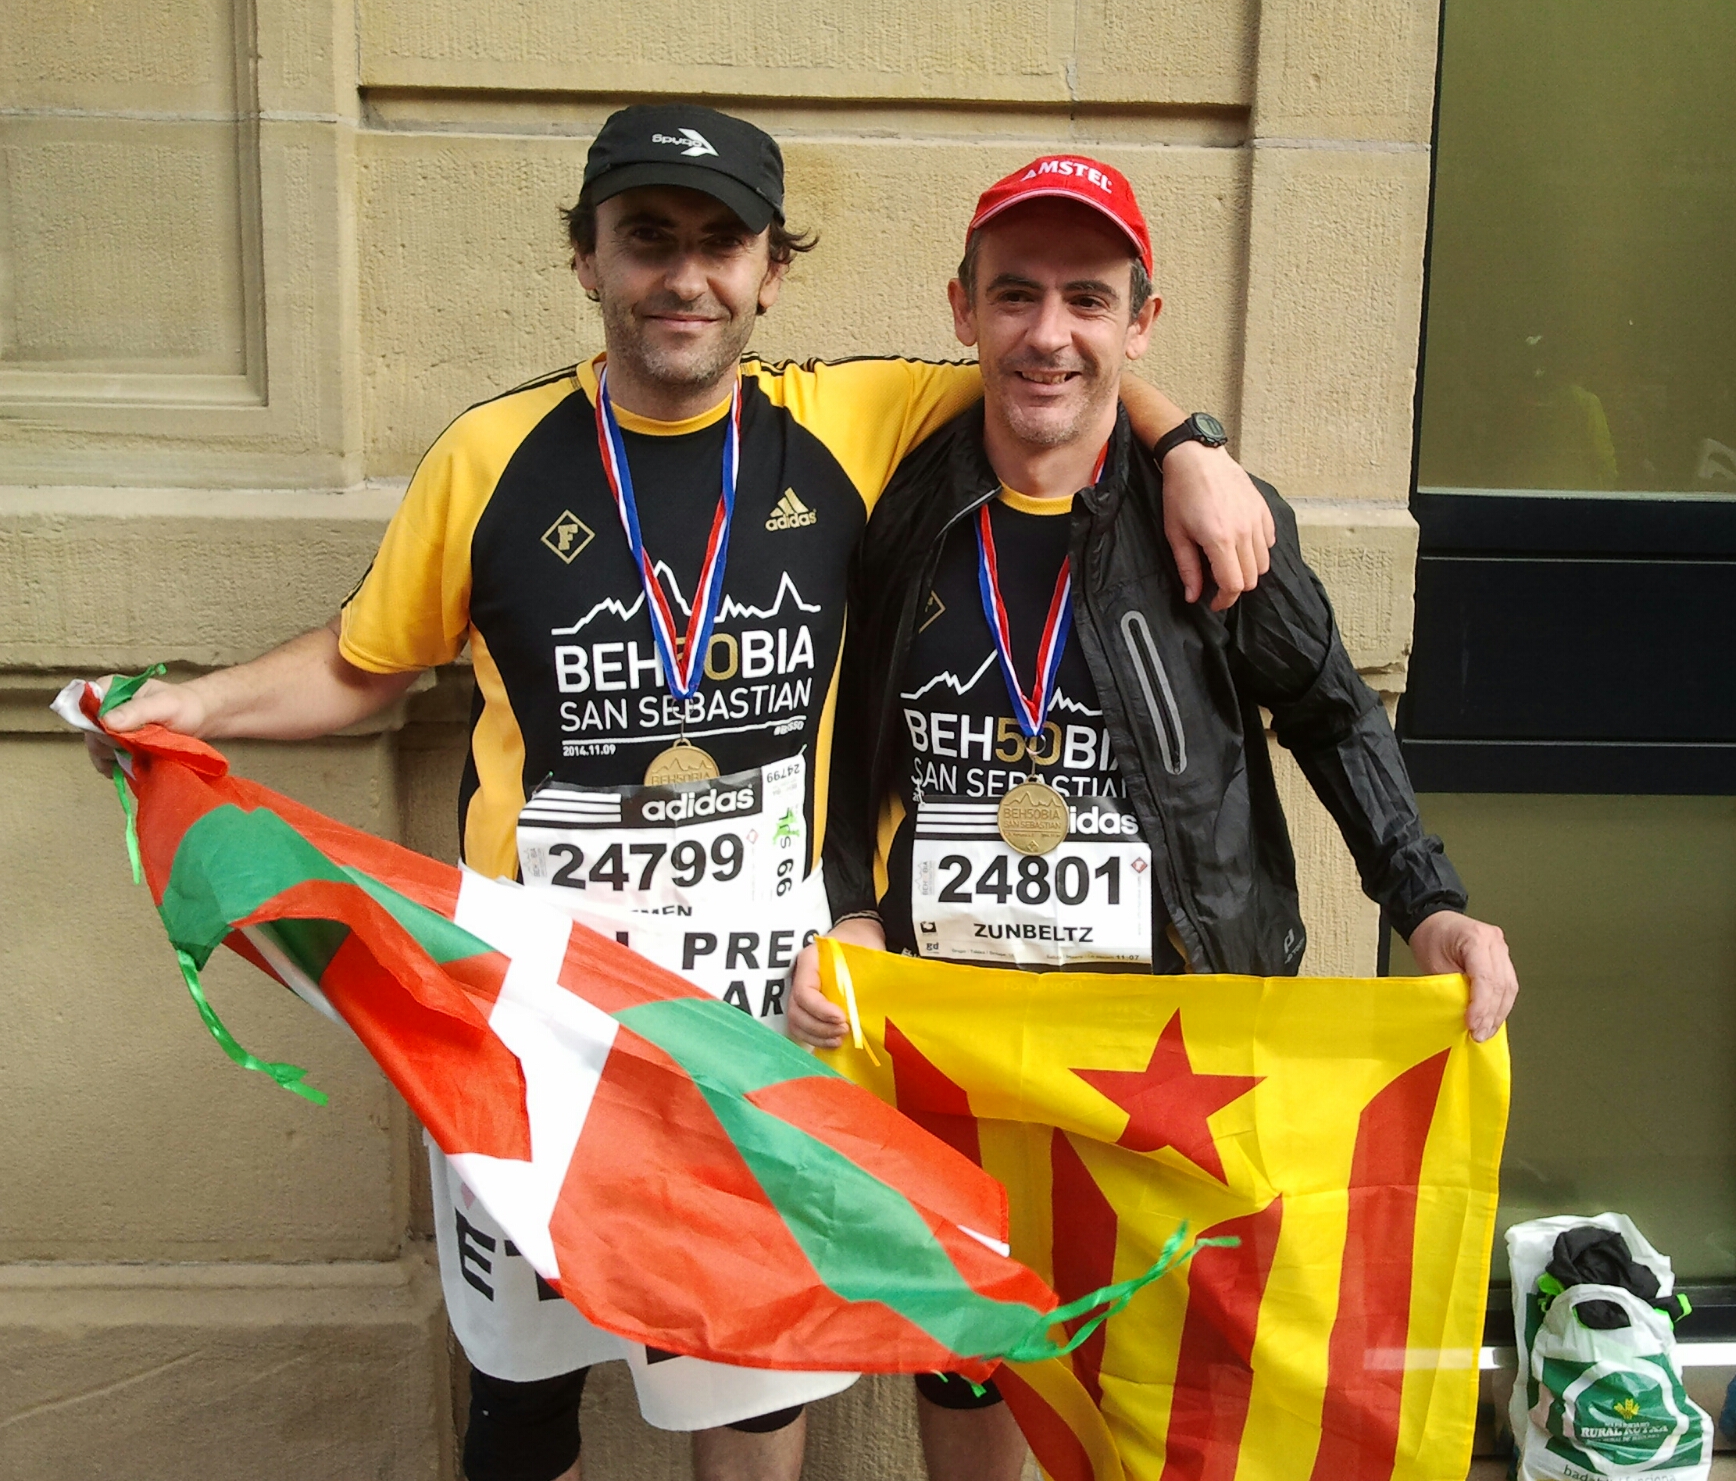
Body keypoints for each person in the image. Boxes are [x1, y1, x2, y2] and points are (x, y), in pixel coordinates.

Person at [83, 110, 1275, 1481]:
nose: (685, 276)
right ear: (586, 259)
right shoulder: (491, 453)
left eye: (722, 243)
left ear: (772, 270)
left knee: (751, 1370)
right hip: (536, 1007)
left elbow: (1057, 365)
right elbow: (366, 666)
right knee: (524, 1386)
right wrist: (196, 709)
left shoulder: (848, 420)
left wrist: (1193, 445)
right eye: (648, 239)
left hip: (758, 1015)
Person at [787, 154, 1520, 1481]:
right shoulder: (897, 510)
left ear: (1142, 323)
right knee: (969, 1354)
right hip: (969, 1042)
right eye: (1015, 295)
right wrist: (848, 904)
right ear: (962, 310)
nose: (1048, 333)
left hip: (1172, 1049)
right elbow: (843, 737)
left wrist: (1428, 902)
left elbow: (1333, 715)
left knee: (1177, 1375)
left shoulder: (1217, 524)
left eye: (1088, 298)